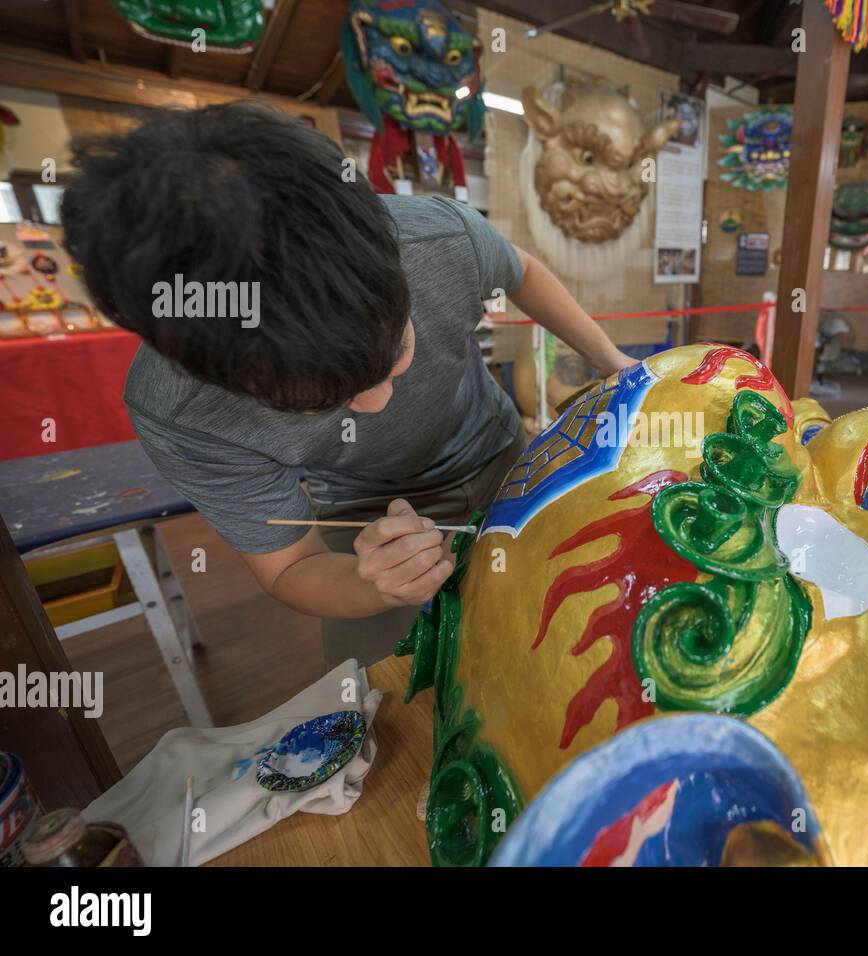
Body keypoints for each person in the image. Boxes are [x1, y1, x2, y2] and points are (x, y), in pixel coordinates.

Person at [62, 103, 637, 669]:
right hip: (364, 515)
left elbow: (523, 272)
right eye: (321, 402)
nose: (378, 403)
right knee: (384, 704)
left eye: (397, 354)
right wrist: (377, 588)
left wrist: (612, 362)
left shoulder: (437, 240)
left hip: (501, 452)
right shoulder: (184, 411)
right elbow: (290, 567)